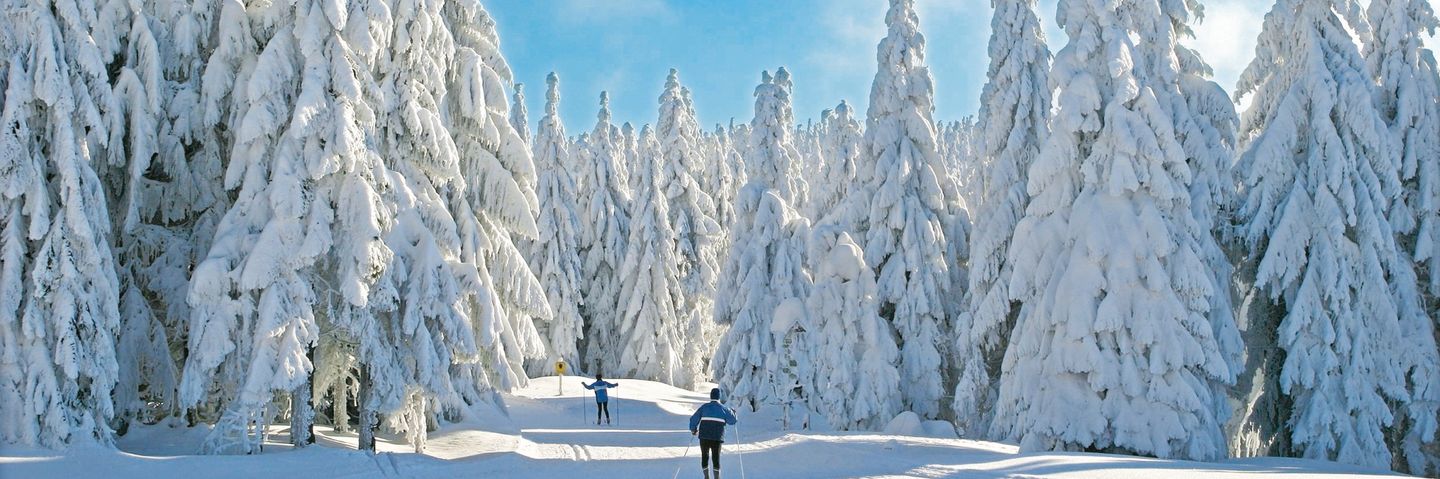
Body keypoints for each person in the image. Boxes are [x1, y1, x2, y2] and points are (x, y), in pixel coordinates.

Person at [688, 388, 738, 479]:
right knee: (716, 458)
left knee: (705, 456)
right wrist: (733, 412)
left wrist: (693, 429)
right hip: (717, 437)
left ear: (711, 396)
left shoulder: (704, 407)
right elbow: (733, 421)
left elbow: (693, 419)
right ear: (719, 397)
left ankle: (706, 477)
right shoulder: (724, 409)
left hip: (704, 437)